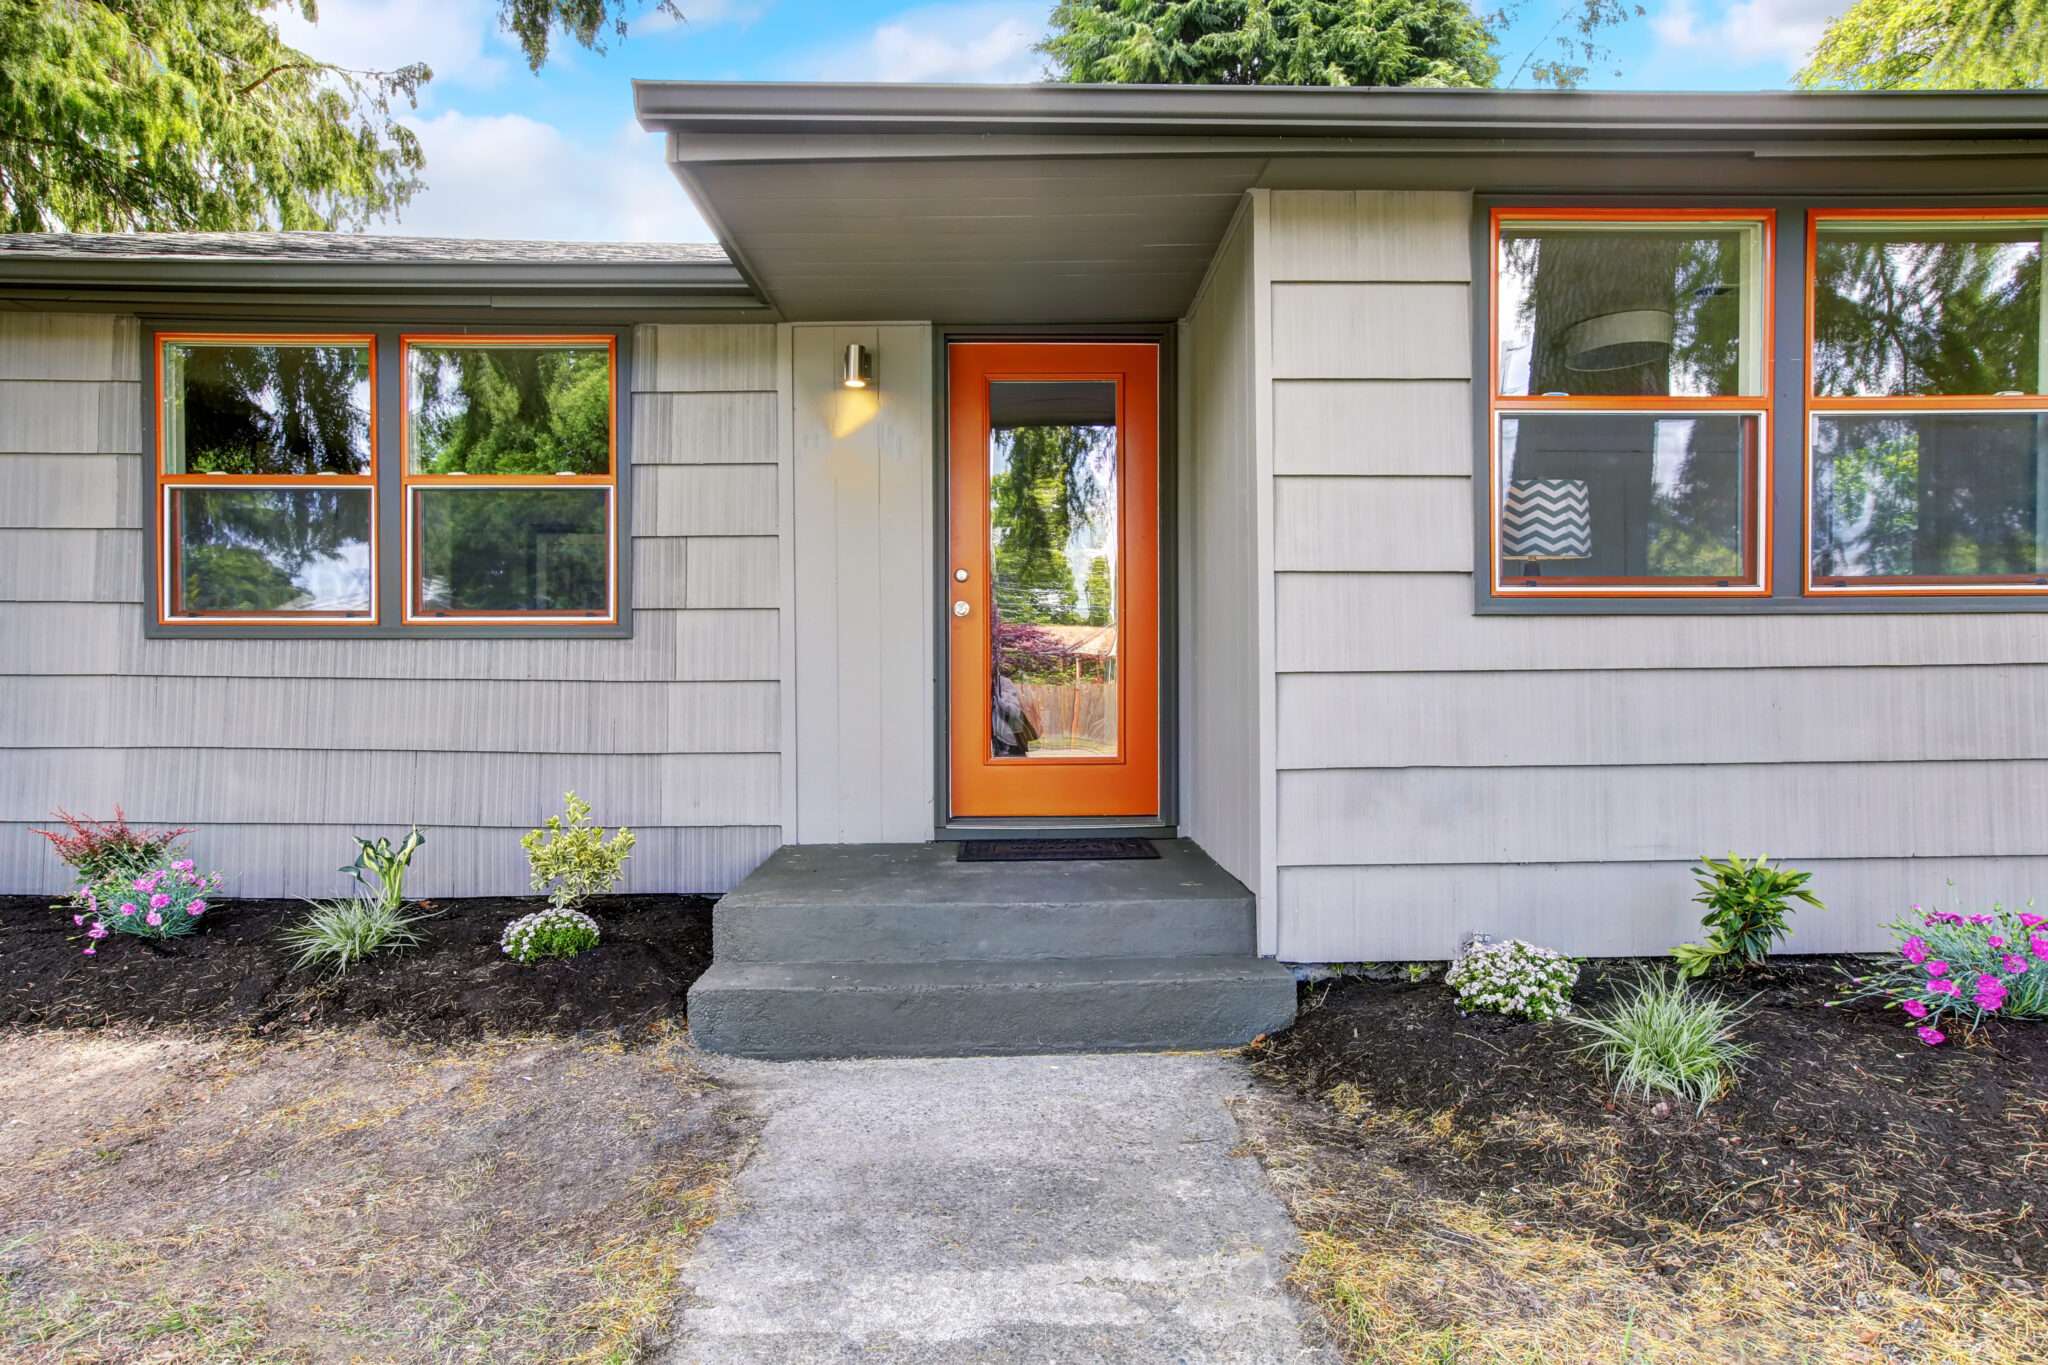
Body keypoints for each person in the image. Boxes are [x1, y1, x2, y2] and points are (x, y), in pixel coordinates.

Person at [991, 661, 1037, 757]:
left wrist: (997, 700)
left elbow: (1013, 710)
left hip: (1007, 740)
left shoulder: (1001, 682)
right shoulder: (993, 681)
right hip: (1001, 738)